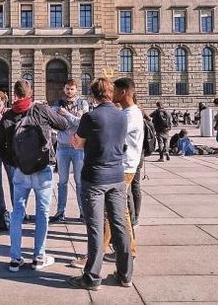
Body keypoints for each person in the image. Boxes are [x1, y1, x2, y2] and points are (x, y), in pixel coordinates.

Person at [67, 78, 133, 291]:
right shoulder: (122, 116)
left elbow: (78, 143)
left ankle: (92, 277)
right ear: (110, 92)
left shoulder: (90, 116)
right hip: (117, 176)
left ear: (93, 94)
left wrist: (77, 141)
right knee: (120, 225)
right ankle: (124, 275)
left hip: (94, 178)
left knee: (95, 228)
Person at [0, 80, 67, 272]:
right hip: (42, 169)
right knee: (42, 214)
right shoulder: (40, 109)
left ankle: (15, 259)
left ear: (14, 94)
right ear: (30, 93)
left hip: (20, 172)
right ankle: (38, 257)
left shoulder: (8, 115)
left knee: (17, 214)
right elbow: (63, 124)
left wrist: (14, 162)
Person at [104, 77, 143, 261]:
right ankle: (125, 249)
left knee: (115, 210)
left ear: (124, 93)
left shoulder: (129, 116)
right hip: (124, 166)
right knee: (118, 210)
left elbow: (111, 135)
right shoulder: (129, 113)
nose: (112, 94)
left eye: (115, 91)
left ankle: (114, 250)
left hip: (124, 167)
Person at [51, 79, 89, 222]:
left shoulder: (83, 103)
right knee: (62, 182)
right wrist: (74, 119)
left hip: (78, 148)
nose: (69, 91)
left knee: (80, 181)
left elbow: (82, 123)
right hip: (62, 147)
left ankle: (83, 212)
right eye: (67, 88)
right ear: (64, 88)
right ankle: (60, 212)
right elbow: (57, 123)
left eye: (72, 89)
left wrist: (66, 114)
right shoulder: (57, 104)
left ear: (76, 90)